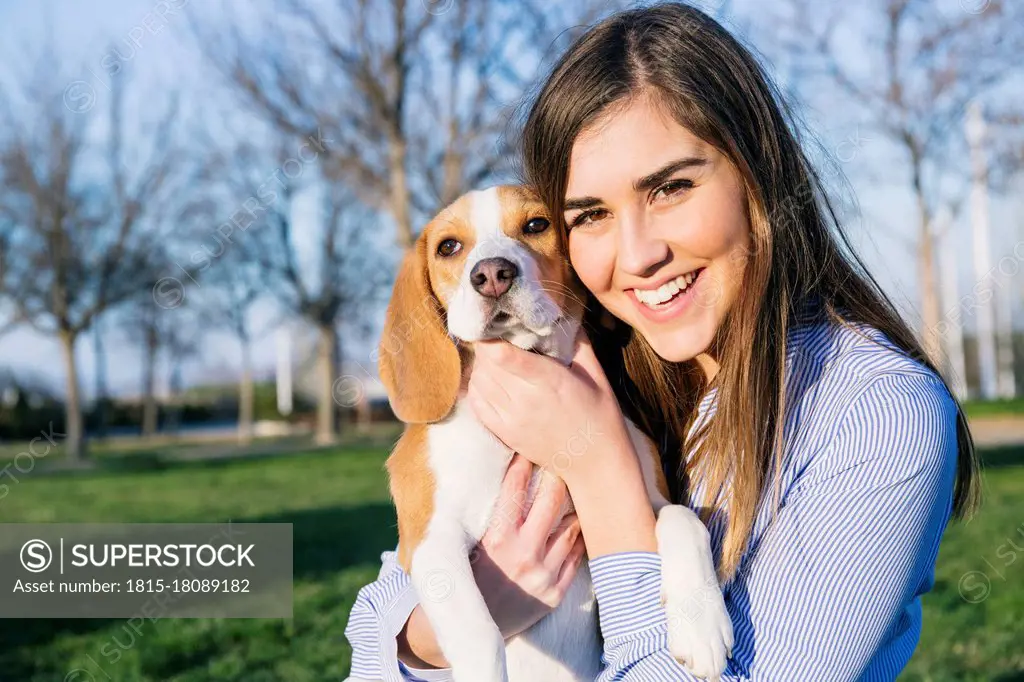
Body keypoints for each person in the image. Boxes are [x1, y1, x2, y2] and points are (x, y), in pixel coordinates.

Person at [344, 3, 978, 680]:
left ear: (759, 172)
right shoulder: (594, 367)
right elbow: (377, 626)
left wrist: (602, 475)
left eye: (671, 188)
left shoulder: (874, 416)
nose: (639, 254)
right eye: (590, 215)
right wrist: (457, 630)